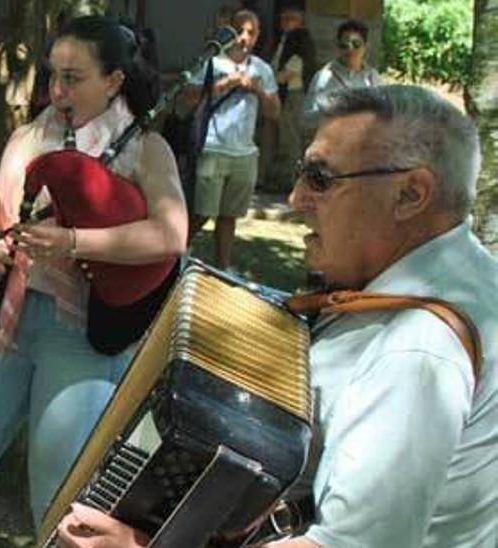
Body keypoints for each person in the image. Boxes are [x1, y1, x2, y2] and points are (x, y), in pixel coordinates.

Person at [55, 85, 498, 548]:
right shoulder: (466, 282)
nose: (295, 197)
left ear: (411, 194)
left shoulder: (417, 348)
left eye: (320, 179)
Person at [0, 16, 187, 547]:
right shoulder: (27, 138)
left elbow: (171, 234)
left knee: (59, 512)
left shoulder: (144, 149)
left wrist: (75, 244)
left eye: (74, 77)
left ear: (113, 81)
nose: (58, 90)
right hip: (12, 324)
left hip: (85, 338)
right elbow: (0, 229)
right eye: (53, 76)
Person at [185, 8, 280, 270]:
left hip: (245, 152)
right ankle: (176, 254)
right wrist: (226, 83)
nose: (244, 38)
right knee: (202, 212)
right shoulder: (211, 63)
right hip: (213, 146)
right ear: (230, 31)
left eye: (251, 32)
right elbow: (188, 97)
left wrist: (257, 89)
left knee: (230, 216)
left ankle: (222, 268)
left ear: (258, 36)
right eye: (240, 31)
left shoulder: (263, 69)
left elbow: (275, 112)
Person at [258, 5, 314, 191]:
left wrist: (263, 81)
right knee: (271, 138)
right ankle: (270, 179)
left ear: (301, 21)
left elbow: (289, 73)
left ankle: (291, 182)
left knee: (290, 140)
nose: (286, 23)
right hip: (278, 93)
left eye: (291, 19)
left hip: (291, 94)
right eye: (284, 19)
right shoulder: (284, 39)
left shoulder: (302, 40)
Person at [303, 19, 382, 130]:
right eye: (344, 45)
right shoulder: (324, 77)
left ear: (366, 46)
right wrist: (336, 110)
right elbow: (308, 120)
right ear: (337, 46)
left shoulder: (373, 77)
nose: (350, 49)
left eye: (356, 44)